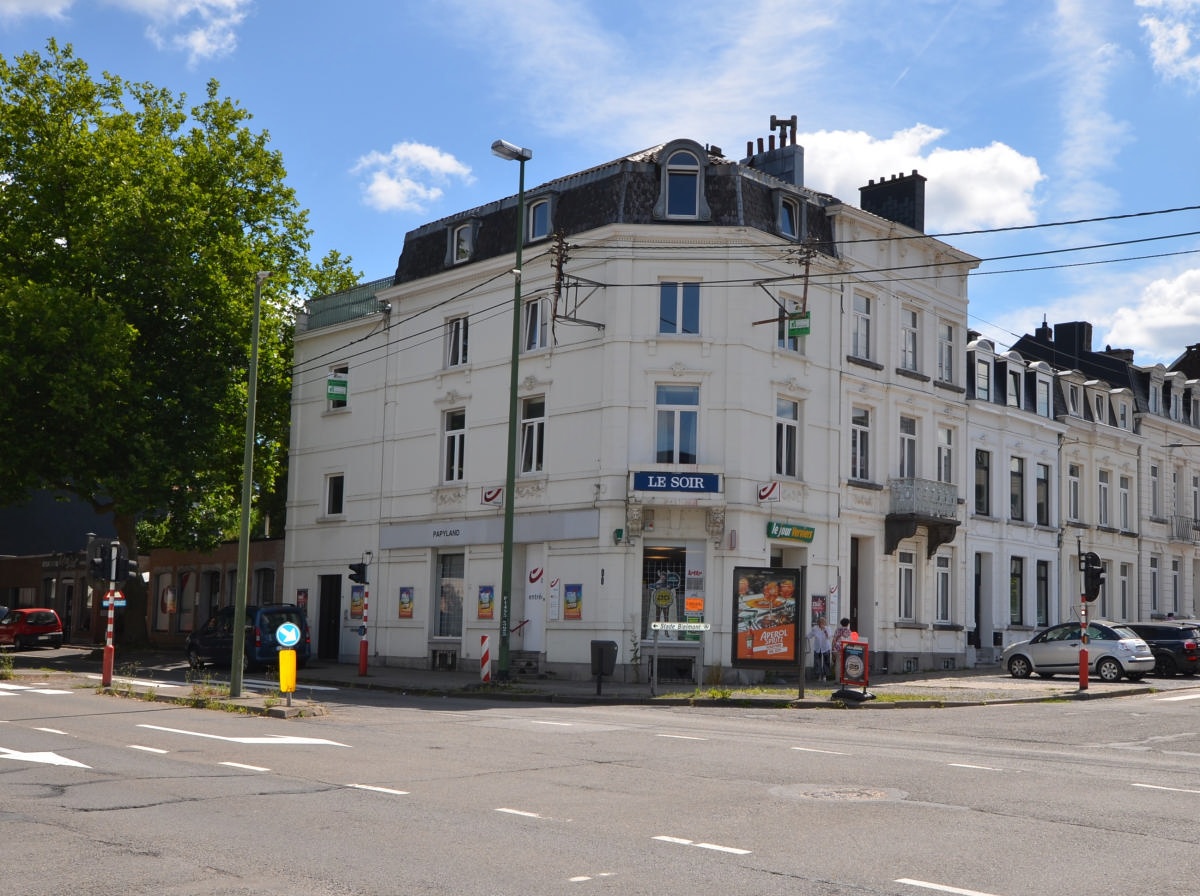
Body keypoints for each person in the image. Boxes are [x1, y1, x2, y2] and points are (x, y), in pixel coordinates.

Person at [808, 615, 832, 680]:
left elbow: (829, 637)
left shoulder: (827, 628)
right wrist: (805, 637)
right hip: (817, 647)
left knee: (826, 662)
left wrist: (825, 630)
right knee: (817, 662)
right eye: (820, 622)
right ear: (818, 623)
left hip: (826, 647)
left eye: (823, 623)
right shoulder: (815, 628)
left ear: (824, 623)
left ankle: (825, 676)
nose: (821, 624)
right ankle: (818, 675)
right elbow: (810, 635)